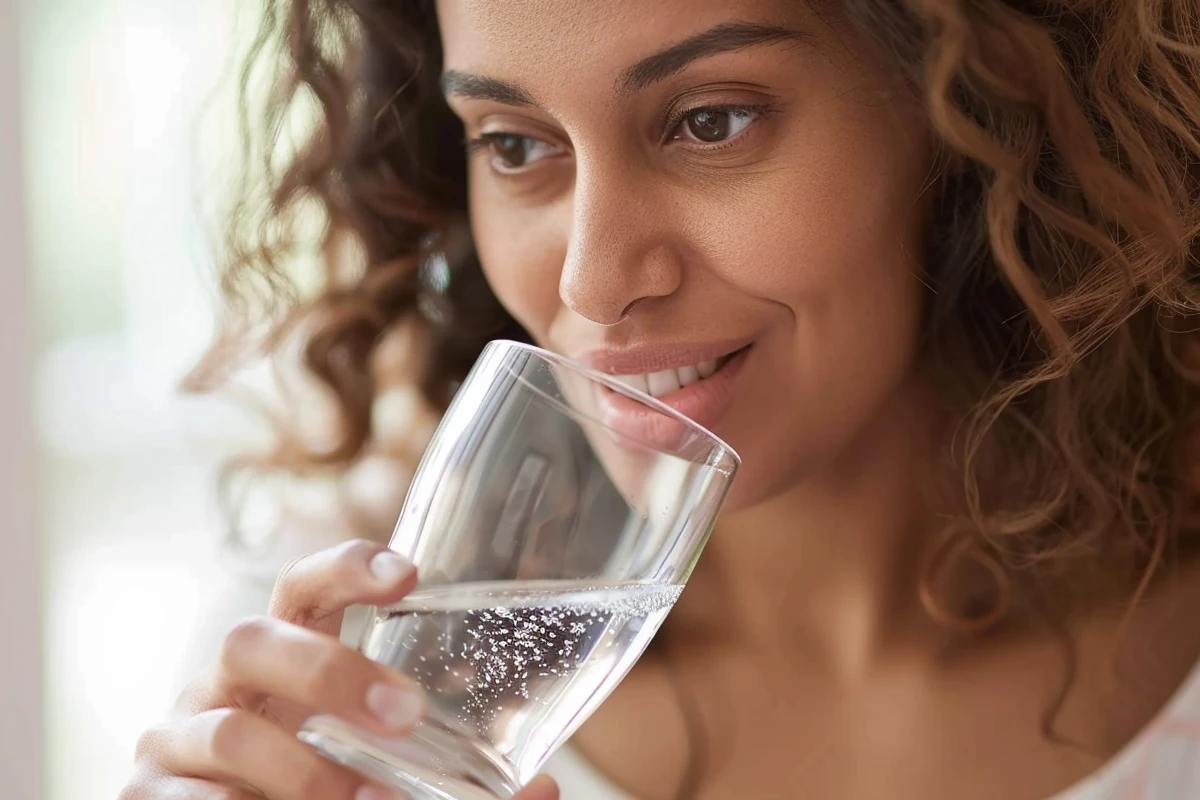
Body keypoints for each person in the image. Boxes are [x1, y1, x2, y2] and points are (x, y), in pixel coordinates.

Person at [120, 0, 1200, 798]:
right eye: (516, 145)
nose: (593, 280)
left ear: (967, 112)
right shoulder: (342, 658)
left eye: (712, 121)